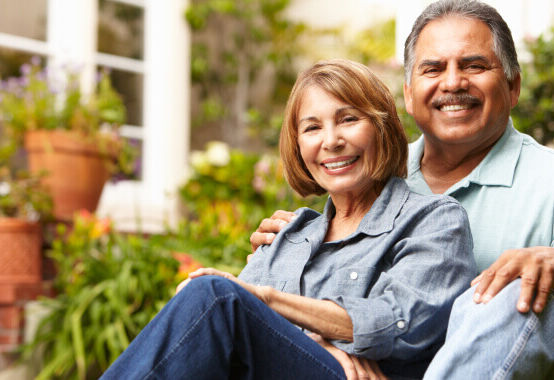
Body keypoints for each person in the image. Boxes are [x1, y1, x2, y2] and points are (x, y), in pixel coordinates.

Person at [251, 1, 554, 378]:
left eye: (474, 65)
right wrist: (289, 256)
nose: (452, 83)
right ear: (407, 91)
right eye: (432, 69)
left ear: (513, 85)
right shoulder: (369, 173)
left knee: (509, 291)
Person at [102, 59, 476, 380]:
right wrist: (321, 344)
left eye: (347, 119)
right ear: (298, 145)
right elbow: (225, 324)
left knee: (215, 296)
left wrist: (270, 300)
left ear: (381, 128)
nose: (330, 141)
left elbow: (397, 322)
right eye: (312, 128)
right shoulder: (290, 233)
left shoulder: (435, 220)